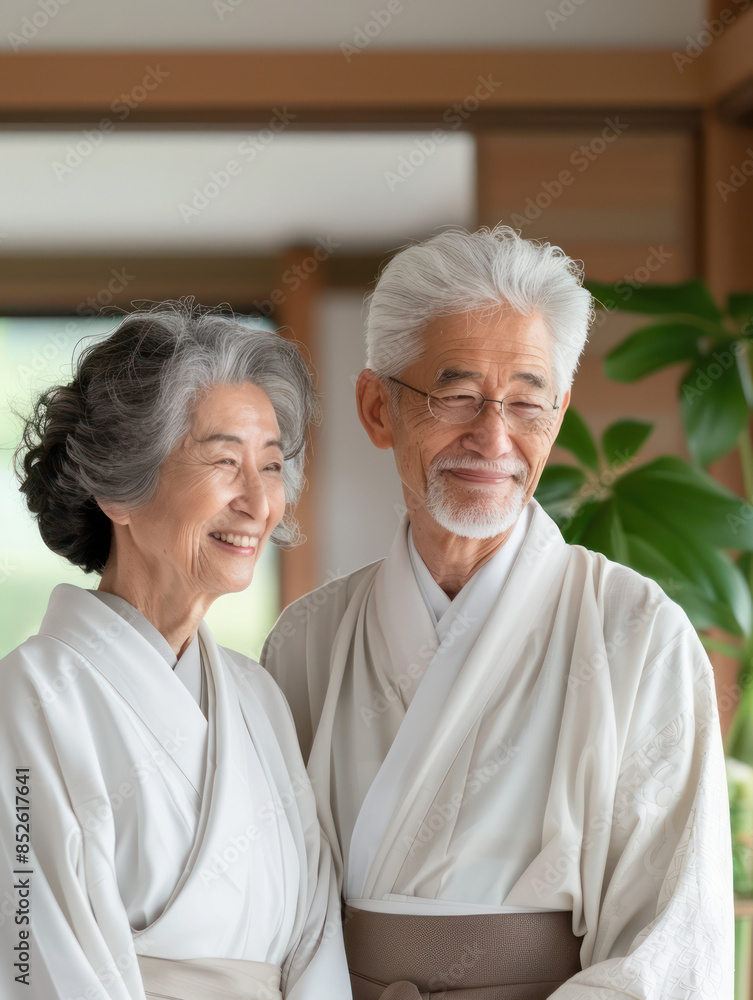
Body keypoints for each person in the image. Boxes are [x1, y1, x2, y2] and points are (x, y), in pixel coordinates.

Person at [262, 227, 734, 999]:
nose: (493, 436)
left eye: (526, 400)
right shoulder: (309, 640)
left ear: (559, 411)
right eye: (455, 395)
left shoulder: (635, 633)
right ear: (376, 407)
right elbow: (268, 902)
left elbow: (672, 939)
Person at [0, 303, 351, 1000]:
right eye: (225, 461)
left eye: (272, 466)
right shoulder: (30, 697)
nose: (258, 502)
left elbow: (315, 935)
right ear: (117, 489)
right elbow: (33, 951)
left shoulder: (256, 699)